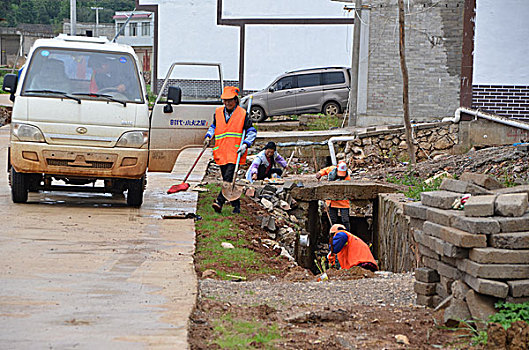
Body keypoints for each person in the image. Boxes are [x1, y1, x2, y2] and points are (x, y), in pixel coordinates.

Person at [204, 86, 257, 214]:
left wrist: (246, 144)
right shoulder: (218, 112)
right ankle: (236, 205)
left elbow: (251, 132)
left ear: (235, 100)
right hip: (221, 151)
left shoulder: (243, 114)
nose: (227, 103)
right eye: (225, 100)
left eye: (230, 100)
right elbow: (214, 126)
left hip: (235, 152)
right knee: (227, 180)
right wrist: (208, 136)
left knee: (228, 179)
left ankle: (219, 202)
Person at [315, 160, 351, 232]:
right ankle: (333, 234)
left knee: (345, 220)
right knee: (333, 219)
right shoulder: (332, 170)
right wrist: (319, 173)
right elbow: (324, 170)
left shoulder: (347, 178)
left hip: (343, 202)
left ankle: (347, 234)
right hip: (332, 201)